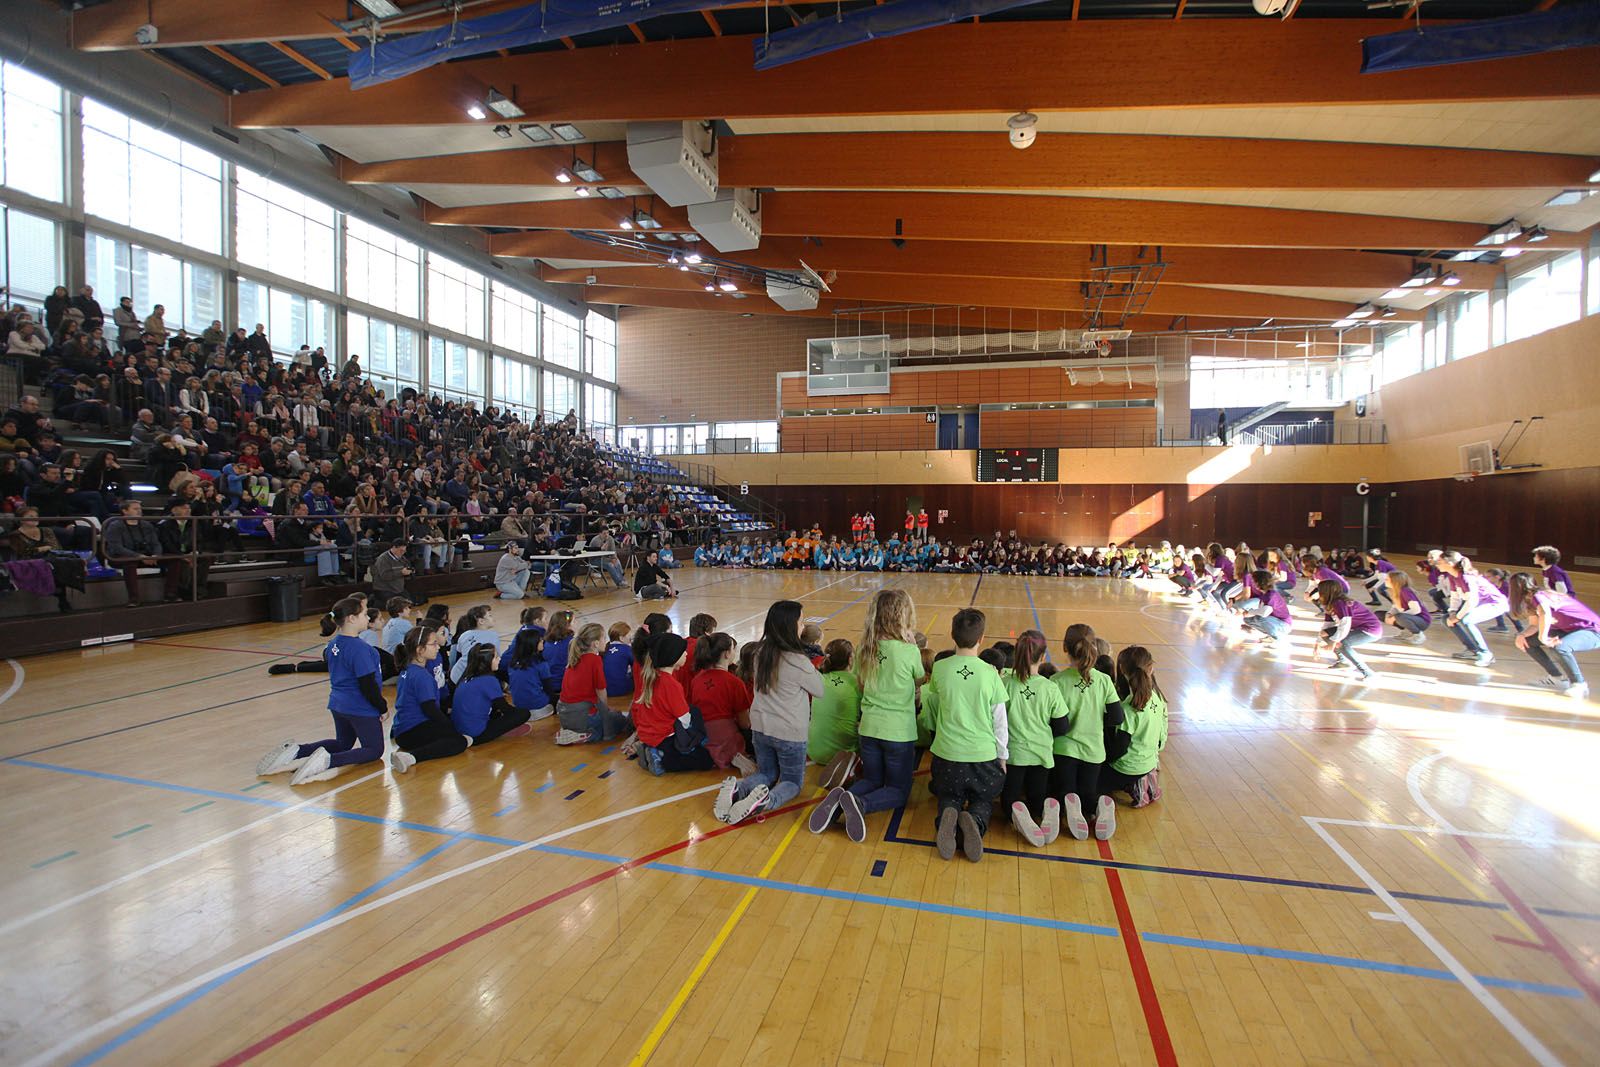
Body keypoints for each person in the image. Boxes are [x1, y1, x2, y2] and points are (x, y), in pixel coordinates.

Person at [814, 589, 922, 842]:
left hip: (869, 728)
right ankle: (858, 804)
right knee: (898, 789)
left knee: (873, 778)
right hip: (898, 731)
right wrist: (912, 648)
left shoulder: (864, 648)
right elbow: (919, 679)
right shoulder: (908, 651)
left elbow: (861, 686)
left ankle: (841, 798)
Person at [256, 597, 393, 784]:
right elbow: (367, 685)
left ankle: (297, 750)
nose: (366, 616)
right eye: (363, 613)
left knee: (343, 744)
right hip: (359, 707)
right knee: (374, 750)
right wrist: (382, 707)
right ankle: (328, 761)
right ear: (351, 619)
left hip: (338, 704)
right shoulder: (360, 649)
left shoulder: (333, 645)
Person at [914, 608, 1009, 862]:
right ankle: (975, 820)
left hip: (947, 755)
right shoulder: (990, 673)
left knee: (948, 794)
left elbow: (933, 703)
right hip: (982, 757)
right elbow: (1000, 721)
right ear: (981, 639)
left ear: (951, 635)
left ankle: (949, 813)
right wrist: (1002, 756)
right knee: (984, 798)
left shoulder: (941, 668)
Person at [718, 600, 823, 824]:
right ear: (789, 626)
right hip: (789, 731)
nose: (803, 627)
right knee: (792, 782)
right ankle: (766, 801)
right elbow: (820, 689)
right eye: (801, 622)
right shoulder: (798, 661)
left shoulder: (760, 652)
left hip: (761, 727)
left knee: (766, 773)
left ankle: (738, 790)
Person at [1049, 630, 1123, 841]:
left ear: (1066, 649)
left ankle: (1071, 807)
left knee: (1065, 792)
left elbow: (1055, 721)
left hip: (1065, 749)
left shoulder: (1057, 681)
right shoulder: (1104, 681)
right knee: (1087, 793)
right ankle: (1098, 805)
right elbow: (1117, 717)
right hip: (1094, 750)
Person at [1000, 630, 1069, 846]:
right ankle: (1041, 812)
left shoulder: (1006, 683)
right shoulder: (1050, 688)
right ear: (1043, 657)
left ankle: (1017, 815)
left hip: (1014, 755)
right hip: (1041, 754)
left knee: (1009, 799)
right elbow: (1062, 725)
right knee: (1037, 795)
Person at [632, 634, 717, 774]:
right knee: (705, 760)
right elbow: (684, 718)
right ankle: (660, 759)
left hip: (648, 734)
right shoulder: (671, 684)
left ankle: (650, 750)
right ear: (673, 657)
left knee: (692, 712)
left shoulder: (652, 676)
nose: (686, 654)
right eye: (683, 652)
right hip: (664, 737)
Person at [390, 627, 471, 765]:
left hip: (402, 729)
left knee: (457, 731)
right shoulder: (422, 676)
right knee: (459, 742)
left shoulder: (408, 669)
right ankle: (410, 757)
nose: (438, 647)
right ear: (420, 649)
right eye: (433, 644)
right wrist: (449, 726)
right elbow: (429, 709)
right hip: (412, 731)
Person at [1101, 646, 1167, 808]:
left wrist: (1104, 759)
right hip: (1150, 761)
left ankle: (1132, 784)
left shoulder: (1128, 708)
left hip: (1126, 769)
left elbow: (1119, 749)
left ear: (1122, 670)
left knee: (1092, 782)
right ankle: (1143, 780)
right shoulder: (1157, 698)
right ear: (1151, 669)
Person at [1510, 574, 1596, 699]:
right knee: (1527, 642)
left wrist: (1543, 637)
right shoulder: (1531, 601)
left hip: (1591, 631)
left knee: (1560, 647)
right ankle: (1557, 678)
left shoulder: (1539, 596)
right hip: (1569, 630)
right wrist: (1521, 635)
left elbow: (1546, 614)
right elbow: (1535, 625)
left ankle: (1579, 684)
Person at [689, 632, 757, 773]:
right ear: (727, 654)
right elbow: (745, 723)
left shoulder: (696, 680)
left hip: (701, 736)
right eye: (733, 649)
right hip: (725, 737)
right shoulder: (734, 682)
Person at [556, 623, 630, 744]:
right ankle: (587, 735)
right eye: (604, 638)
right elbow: (601, 690)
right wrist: (606, 711)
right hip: (584, 715)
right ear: (595, 643)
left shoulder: (574, 658)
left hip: (565, 714)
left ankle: (572, 731)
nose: (605, 641)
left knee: (613, 716)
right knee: (620, 721)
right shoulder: (595, 660)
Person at [450, 644, 534, 745]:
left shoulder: (465, 677)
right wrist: (516, 716)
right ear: (487, 661)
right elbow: (506, 709)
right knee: (524, 713)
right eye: (496, 657)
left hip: (460, 730)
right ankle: (503, 730)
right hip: (476, 735)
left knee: (495, 711)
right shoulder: (489, 680)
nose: (499, 659)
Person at [1438, 551, 1508, 666]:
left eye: (1439, 561)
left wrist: (1457, 617)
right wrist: (1452, 613)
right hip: (1479, 604)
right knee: (1446, 619)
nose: (1437, 564)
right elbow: (1455, 597)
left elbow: (1472, 601)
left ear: (1450, 563)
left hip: (1496, 604)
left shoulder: (1467, 578)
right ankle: (1473, 650)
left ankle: (1486, 654)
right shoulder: (1453, 577)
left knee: (1467, 620)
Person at [806, 639, 861, 786]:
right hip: (844, 750)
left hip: (814, 751)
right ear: (850, 659)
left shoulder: (820, 678)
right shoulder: (857, 682)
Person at [1313, 579, 1383, 681]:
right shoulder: (1330, 604)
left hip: (1370, 630)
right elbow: (1327, 625)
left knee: (1342, 643)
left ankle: (1368, 672)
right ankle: (1343, 662)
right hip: (1356, 628)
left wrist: (1333, 642)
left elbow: (1344, 626)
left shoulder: (1340, 603)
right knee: (1325, 634)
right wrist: (1317, 643)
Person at [103, 499, 163, 607]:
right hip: (121, 557)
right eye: (135, 509)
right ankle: (134, 599)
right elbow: (116, 547)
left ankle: (171, 594)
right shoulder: (115, 526)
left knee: (173, 559)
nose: (139, 511)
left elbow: (156, 543)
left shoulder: (147, 525)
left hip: (145, 556)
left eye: (140, 509)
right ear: (125, 511)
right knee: (130, 563)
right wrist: (139, 556)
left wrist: (156, 555)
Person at [156, 499, 210, 603]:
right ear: (174, 510)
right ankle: (180, 592)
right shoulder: (164, 525)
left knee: (205, 559)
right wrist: (182, 555)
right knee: (180, 563)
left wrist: (195, 552)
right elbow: (166, 544)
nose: (188, 510)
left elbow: (199, 541)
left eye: (189, 508)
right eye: (184, 508)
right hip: (173, 553)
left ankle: (198, 590)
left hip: (190, 552)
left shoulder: (193, 523)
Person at [504, 629, 555, 719]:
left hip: (518, 705)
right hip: (538, 706)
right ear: (533, 644)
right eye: (540, 640)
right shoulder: (540, 664)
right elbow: (549, 688)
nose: (543, 641)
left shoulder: (512, 662)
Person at [1383, 571, 1432, 645]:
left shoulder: (1405, 591)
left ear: (1395, 581)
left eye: (1387, 579)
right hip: (1411, 618)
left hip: (1422, 621)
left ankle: (1418, 635)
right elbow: (1395, 606)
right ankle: (1407, 632)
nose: (1385, 580)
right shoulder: (1396, 591)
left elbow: (1416, 610)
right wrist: (1389, 614)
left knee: (1399, 616)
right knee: (1380, 615)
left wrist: (1395, 617)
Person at [602, 621, 635, 700]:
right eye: (629, 637)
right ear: (621, 638)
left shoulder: (604, 649)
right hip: (623, 689)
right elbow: (637, 665)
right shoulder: (627, 649)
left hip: (605, 690)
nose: (631, 639)